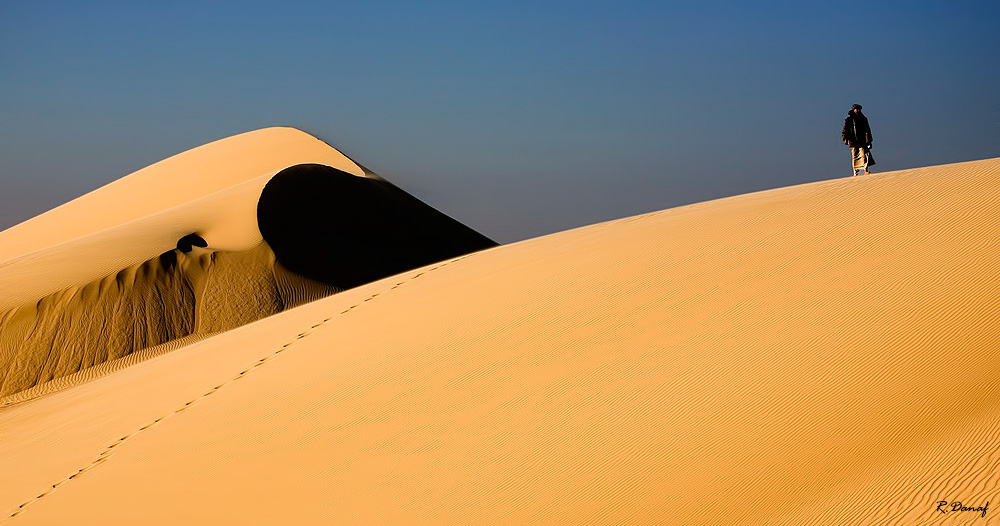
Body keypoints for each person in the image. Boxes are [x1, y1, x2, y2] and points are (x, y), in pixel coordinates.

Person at [841, 103, 875, 176]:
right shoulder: (849, 119)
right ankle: (856, 172)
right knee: (855, 156)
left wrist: (869, 140)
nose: (858, 110)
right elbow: (844, 130)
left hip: (862, 141)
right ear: (853, 110)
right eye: (856, 109)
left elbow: (868, 130)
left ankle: (865, 170)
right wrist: (845, 138)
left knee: (864, 155)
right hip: (853, 141)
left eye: (859, 109)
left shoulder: (863, 119)